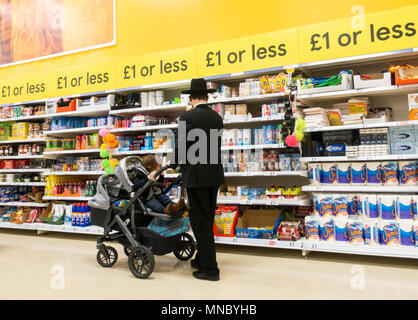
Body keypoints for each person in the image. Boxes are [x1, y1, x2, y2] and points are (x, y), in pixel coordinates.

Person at [175, 78, 225, 281]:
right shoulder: (216, 117)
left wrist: (175, 165)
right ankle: (201, 258)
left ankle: (210, 269)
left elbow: (180, 149)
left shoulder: (187, 117)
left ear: (190, 97)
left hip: (196, 177)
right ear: (206, 96)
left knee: (199, 223)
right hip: (214, 176)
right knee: (207, 219)